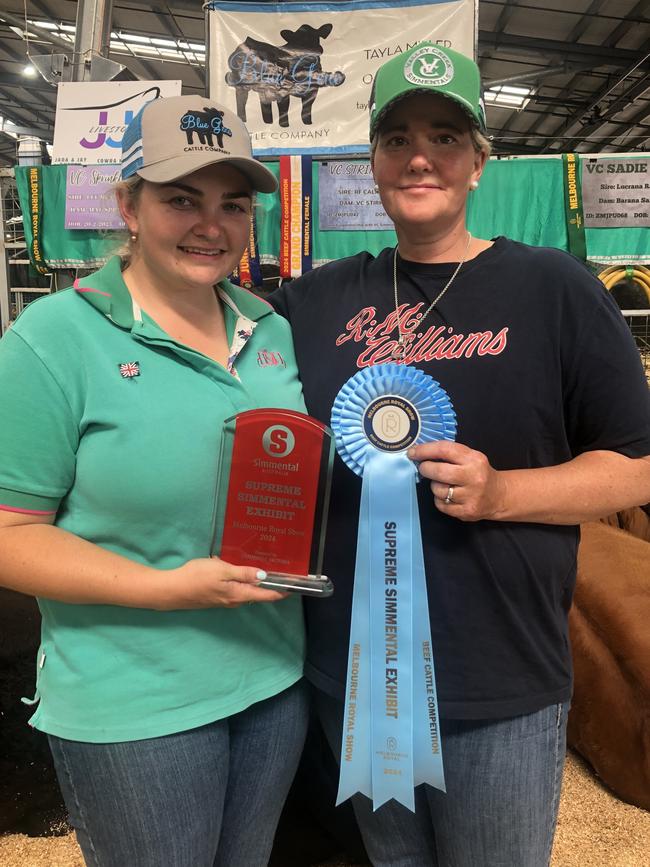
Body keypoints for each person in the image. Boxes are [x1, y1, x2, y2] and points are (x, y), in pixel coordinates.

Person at [270, 44, 650, 867]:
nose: (419, 156)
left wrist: (501, 491)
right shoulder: (313, 300)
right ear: (371, 161)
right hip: (356, 677)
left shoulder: (556, 290)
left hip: (501, 680)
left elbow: (634, 464)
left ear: (479, 161)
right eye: (397, 136)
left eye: (445, 136)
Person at [0, 96, 309, 867]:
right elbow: (9, 536)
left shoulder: (269, 330)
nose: (211, 224)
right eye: (181, 199)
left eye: (231, 205)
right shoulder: (52, 340)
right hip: (134, 700)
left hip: (273, 679)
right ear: (128, 204)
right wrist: (167, 587)